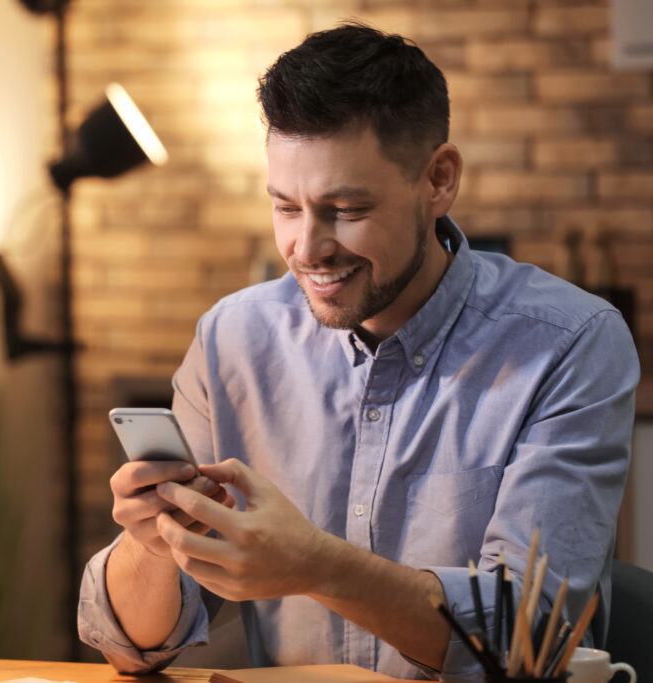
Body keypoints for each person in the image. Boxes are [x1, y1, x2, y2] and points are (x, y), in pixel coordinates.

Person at [78, 23, 639, 681]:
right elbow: (130, 648)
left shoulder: (570, 342)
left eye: (345, 208)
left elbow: (531, 636)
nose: (306, 249)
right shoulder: (232, 338)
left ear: (439, 179)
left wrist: (314, 562)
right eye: (285, 207)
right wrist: (153, 546)